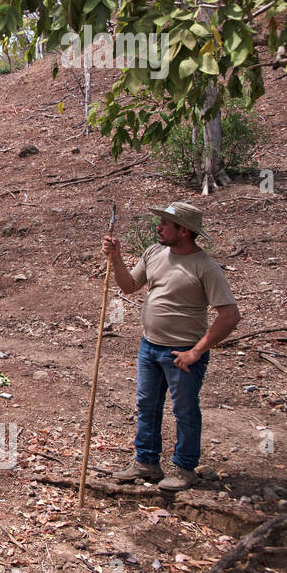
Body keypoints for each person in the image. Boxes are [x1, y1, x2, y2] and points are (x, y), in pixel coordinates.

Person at [101, 202, 240, 491]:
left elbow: (229, 316)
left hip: (183, 353)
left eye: (165, 223)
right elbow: (129, 286)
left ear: (185, 231)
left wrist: (197, 351)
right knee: (147, 405)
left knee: (185, 410)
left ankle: (185, 468)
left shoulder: (205, 267)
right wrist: (115, 259)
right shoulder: (154, 253)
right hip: (149, 347)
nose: (158, 227)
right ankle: (146, 463)